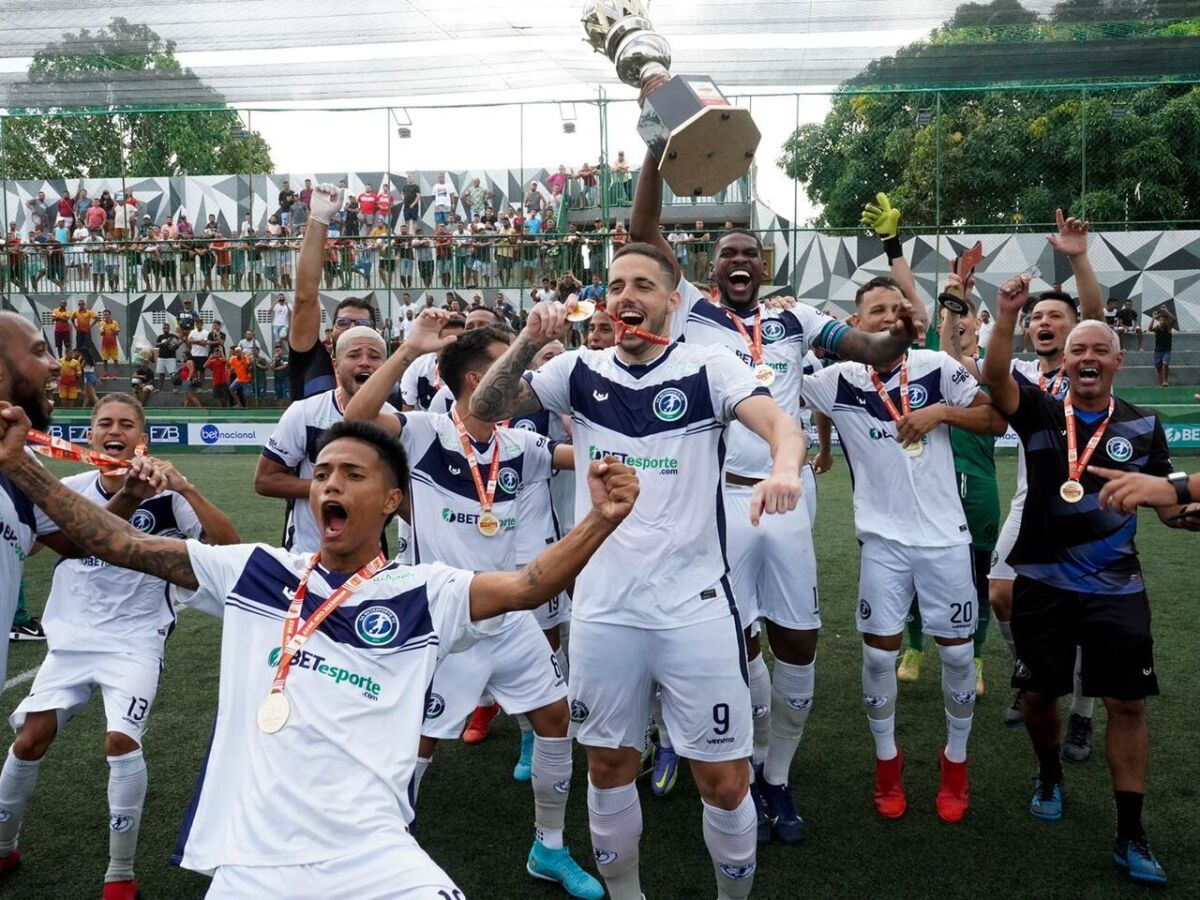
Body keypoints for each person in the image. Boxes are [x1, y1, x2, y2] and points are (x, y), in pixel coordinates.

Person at [0, 402, 640, 898]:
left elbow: (530, 584)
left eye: (352, 474)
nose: (328, 483)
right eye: (323, 472)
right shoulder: (258, 571)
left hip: (374, 850)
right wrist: (18, 463)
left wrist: (600, 519)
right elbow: (120, 543)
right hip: (252, 858)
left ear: (391, 502)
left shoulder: (424, 591)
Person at [471, 241, 810, 900]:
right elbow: (485, 414)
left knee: (726, 781)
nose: (627, 297)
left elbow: (780, 424)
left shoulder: (708, 366)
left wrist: (786, 468)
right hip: (603, 611)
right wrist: (524, 343)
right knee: (607, 766)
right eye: (617, 285)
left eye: (643, 286)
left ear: (672, 302)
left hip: (697, 609)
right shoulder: (576, 369)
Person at [632, 149, 925, 842]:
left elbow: (868, 347)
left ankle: (777, 778)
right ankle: (730, 766)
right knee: (727, 646)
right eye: (727, 253)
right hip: (716, 508)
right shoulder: (688, 312)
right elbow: (645, 231)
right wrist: (654, 151)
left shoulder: (797, 319)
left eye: (750, 254)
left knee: (798, 643)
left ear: (764, 267)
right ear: (709, 270)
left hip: (787, 505)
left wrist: (897, 335)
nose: (739, 261)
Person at [344, 319, 602, 898]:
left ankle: (549, 848)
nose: (527, 378)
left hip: (509, 616)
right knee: (419, 742)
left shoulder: (521, 445)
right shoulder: (424, 433)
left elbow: (580, 456)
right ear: (479, 377)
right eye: (516, 363)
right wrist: (410, 347)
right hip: (442, 618)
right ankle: (386, 852)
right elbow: (356, 419)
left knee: (555, 721)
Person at [980, 273, 1194, 886]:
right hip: (1043, 584)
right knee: (1040, 696)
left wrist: (1184, 516)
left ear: (1118, 360)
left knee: (1127, 702)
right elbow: (994, 379)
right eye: (1079, 350)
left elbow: (1166, 503)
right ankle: (1049, 771)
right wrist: (1004, 314)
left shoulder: (1144, 426)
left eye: (1099, 349)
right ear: (1064, 361)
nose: (1088, 358)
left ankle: (1132, 832)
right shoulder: (1040, 410)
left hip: (1116, 587)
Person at [0, 394, 238, 900]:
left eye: (127, 424)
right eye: (104, 422)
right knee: (30, 739)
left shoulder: (168, 497)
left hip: (134, 641)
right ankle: (4, 847)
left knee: (120, 742)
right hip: (71, 641)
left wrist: (188, 490)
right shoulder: (67, 489)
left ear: (141, 438)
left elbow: (228, 549)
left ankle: (120, 874)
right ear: (88, 436)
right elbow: (38, 540)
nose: (115, 430)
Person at [970, 210, 1104, 744]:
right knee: (1001, 594)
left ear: (1077, 332)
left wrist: (1077, 256)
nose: (1045, 322)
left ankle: (1083, 715)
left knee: (1088, 613)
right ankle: (1030, 679)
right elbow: (991, 374)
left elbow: (1094, 310)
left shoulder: (1085, 368)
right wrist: (1001, 314)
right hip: (1031, 501)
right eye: (1037, 317)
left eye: (1057, 316)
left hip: (1089, 504)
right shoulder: (1024, 377)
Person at [898, 281, 1000, 696]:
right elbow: (944, 351)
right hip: (931, 487)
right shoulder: (933, 370)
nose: (959, 326)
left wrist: (954, 310)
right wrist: (951, 303)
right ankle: (915, 648)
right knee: (916, 571)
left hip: (978, 488)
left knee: (977, 577)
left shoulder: (994, 372)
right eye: (951, 320)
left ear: (980, 324)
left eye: (966, 317)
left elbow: (955, 358)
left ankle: (976, 658)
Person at [256, 327, 392, 553]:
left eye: (375, 356)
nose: (365, 363)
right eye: (354, 355)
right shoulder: (304, 412)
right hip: (307, 556)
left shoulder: (395, 421)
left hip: (369, 560)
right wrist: (333, 489)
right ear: (335, 364)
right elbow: (265, 480)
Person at [289, 184, 382, 401]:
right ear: (330, 332)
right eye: (343, 323)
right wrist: (319, 217)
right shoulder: (311, 359)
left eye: (361, 325)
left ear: (376, 333)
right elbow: (305, 296)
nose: (351, 328)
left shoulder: (386, 375)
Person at [1147, 307, 1174, 387]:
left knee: (1165, 364)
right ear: (1158, 321)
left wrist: (1167, 311)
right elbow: (1149, 329)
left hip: (1166, 350)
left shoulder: (1168, 328)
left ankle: (1165, 380)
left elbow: (1173, 319)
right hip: (1158, 350)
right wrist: (1153, 318)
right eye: (1160, 320)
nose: (1162, 321)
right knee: (1158, 367)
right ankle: (1160, 383)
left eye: (1163, 320)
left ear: (1165, 321)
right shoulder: (1157, 328)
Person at [154, 323, 179, 392]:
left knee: (173, 374)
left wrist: (171, 344)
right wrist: (162, 343)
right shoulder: (160, 337)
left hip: (171, 357)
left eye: (167, 328)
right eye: (164, 328)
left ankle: (175, 388)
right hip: (161, 357)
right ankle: (160, 388)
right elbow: (156, 344)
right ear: (162, 329)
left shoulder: (173, 336)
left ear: (169, 329)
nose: (165, 329)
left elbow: (177, 346)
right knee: (161, 374)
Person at [98, 311, 121, 380]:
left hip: (113, 344)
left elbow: (117, 333)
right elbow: (101, 334)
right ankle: (105, 374)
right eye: (104, 315)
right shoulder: (101, 323)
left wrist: (113, 330)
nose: (105, 316)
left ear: (110, 315)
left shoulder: (115, 323)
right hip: (105, 344)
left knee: (115, 359)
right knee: (105, 360)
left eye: (107, 315)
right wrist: (102, 331)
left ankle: (116, 374)